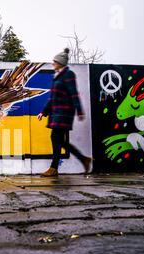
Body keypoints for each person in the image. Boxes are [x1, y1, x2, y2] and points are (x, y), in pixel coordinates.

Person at [38, 48, 92, 177]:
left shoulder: (68, 75)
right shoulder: (57, 77)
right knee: (58, 140)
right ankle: (83, 159)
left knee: (56, 139)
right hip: (56, 113)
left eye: (54, 62)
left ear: (60, 63)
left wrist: (79, 110)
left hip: (63, 113)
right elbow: (52, 98)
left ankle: (54, 168)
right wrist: (43, 112)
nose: (53, 64)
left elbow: (74, 94)